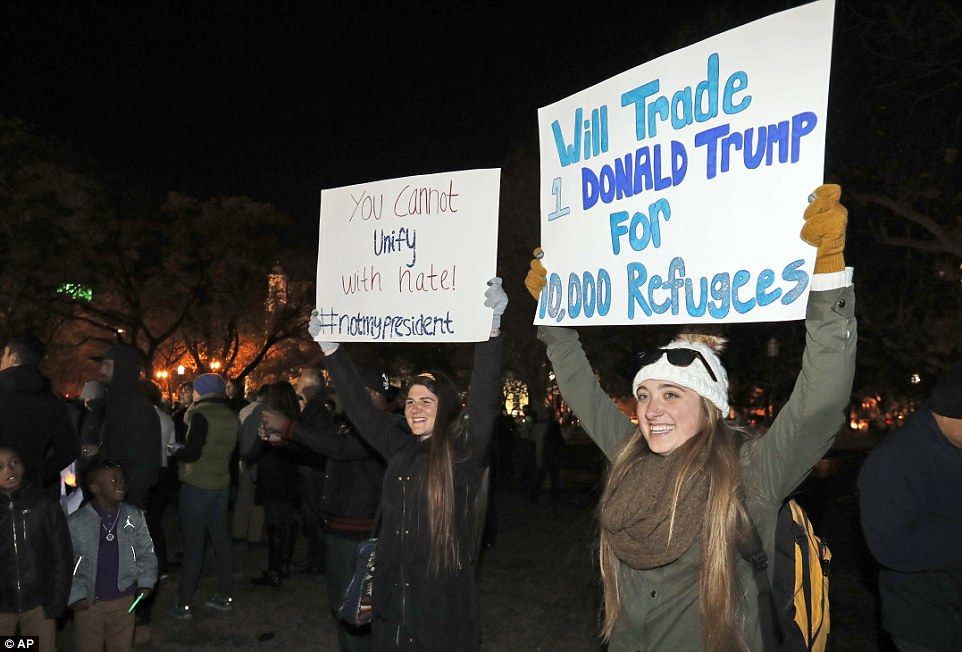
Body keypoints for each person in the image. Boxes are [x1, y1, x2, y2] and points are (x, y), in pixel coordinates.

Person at [525, 185, 856, 650]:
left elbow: (820, 403)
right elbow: (583, 392)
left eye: (671, 394)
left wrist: (828, 280)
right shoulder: (630, 455)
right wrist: (553, 318)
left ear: (711, 408)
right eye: (644, 394)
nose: (650, 408)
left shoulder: (750, 472)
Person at [306, 278, 507, 650]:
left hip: (439, 610)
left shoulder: (462, 452)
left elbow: (483, 397)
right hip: (391, 606)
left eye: (427, 401)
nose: (416, 408)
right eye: (411, 401)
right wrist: (332, 349)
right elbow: (362, 408)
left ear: (445, 407)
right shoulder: (398, 447)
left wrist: (491, 329)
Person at [261, 368, 394, 651]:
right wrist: (286, 443)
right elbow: (331, 455)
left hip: (358, 529)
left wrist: (288, 428)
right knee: (350, 605)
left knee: (353, 606)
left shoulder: (381, 426)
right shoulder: (357, 423)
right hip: (345, 525)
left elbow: (341, 450)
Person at [858, 363, 962, 651]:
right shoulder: (892, 462)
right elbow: (889, 546)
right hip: (927, 626)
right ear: (948, 413)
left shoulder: (954, 444)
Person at [169, 373, 239, 617]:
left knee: (194, 546)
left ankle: (184, 603)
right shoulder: (231, 415)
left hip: (197, 486)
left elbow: (193, 453)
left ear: (202, 391)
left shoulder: (201, 414)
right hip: (220, 485)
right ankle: (225, 595)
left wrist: (175, 451)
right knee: (221, 542)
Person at [68, 461, 157, 652]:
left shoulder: (133, 517)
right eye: (113, 480)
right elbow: (67, 561)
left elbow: (145, 552)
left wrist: (146, 581)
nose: (121, 484)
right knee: (88, 646)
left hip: (124, 598)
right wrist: (74, 594)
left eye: (122, 479)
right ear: (95, 488)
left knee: (122, 645)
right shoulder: (77, 522)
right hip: (90, 602)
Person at [0, 447, 73, 652]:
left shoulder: (44, 505)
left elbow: (62, 554)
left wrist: (56, 601)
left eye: (14, 462)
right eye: (0, 466)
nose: (9, 470)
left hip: (39, 604)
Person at [83, 344, 161, 508]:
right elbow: (120, 444)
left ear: (123, 368)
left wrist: (129, 501)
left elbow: (143, 461)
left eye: (108, 366)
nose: (102, 371)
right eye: (102, 365)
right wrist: (100, 450)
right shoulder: (116, 402)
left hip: (125, 497)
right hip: (114, 492)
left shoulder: (135, 406)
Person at [0, 334, 79, 489]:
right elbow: (69, 449)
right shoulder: (52, 402)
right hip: (31, 491)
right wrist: (37, 474)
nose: (1, 360)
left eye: (4, 355)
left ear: (14, 358)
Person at [245, 382, 301, 588]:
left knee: (275, 525)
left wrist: (248, 458)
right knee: (288, 522)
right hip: (290, 477)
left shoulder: (272, 419)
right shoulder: (295, 421)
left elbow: (256, 448)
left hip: (273, 477)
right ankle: (283, 565)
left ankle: (274, 571)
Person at [232, 383, 267, 545]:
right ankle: (254, 535)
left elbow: (239, 435)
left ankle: (238, 531)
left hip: (243, 460)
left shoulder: (245, 411)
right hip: (260, 461)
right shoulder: (269, 413)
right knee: (257, 501)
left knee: (243, 497)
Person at [530, 406, 564, 502]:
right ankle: (554, 496)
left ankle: (535, 495)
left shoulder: (540, 426)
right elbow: (559, 440)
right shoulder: (553, 426)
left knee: (543, 475)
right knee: (553, 476)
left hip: (546, 453)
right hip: (552, 454)